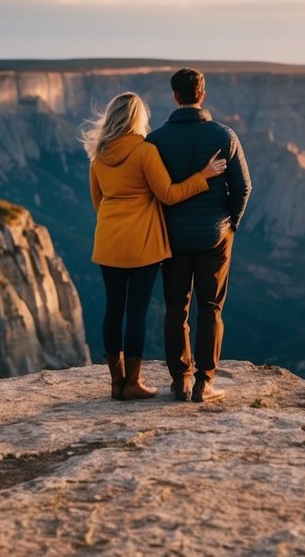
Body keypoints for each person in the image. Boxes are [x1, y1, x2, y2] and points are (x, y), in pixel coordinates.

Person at [82, 91, 227, 401]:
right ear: (138, 118)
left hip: (108, 240)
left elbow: (98, 200)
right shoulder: (145, 151)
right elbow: (169, 194)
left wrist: (113, 223)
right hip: (142, 243)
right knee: (136, 313)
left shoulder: (99, 155)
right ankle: (133, 382)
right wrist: (203, 176)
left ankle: (115, 382)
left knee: (112, 309)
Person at [148, 68, 252, 403]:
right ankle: (205, 383)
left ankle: (179, 381)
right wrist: (231, 222)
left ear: (175, 96)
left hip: (173, 236)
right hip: (215, 235)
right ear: (202, 94)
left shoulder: (155, 140)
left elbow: (151, 190)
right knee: (210, 308)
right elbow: (243, 186)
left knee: (176, 307)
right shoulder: (224, 135)